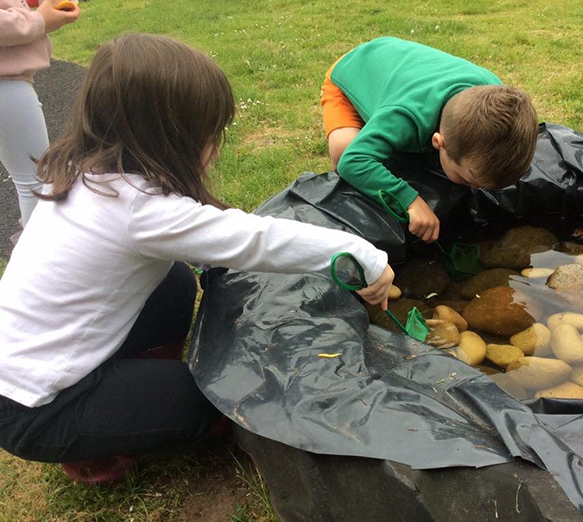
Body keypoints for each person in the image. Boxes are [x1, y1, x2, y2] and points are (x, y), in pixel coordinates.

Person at [0, 33, 394, 485]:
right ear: (166, 141)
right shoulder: (140, 212)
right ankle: (95, 442)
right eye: (209, 136)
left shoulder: (88, 170)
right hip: (39, 408)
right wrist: (361, 253)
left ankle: (134, 385)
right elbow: (257, 240)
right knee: (205, 406)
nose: (218, 148)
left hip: (30, 368)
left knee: (174, 281)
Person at [321, 36, 538, 244]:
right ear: (438, 142)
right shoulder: (405, 118)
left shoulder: (495, 96)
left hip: (403, 67)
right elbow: (352, 161)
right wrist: (409, 201)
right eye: (468, 180)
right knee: (344, 150)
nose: (476, 188)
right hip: (355, 72)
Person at [0, 0, 80, 241]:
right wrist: (40, 20)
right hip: (6, 85)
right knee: (36, 180)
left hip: (10, 83)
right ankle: (39, 253)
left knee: (33, 178)